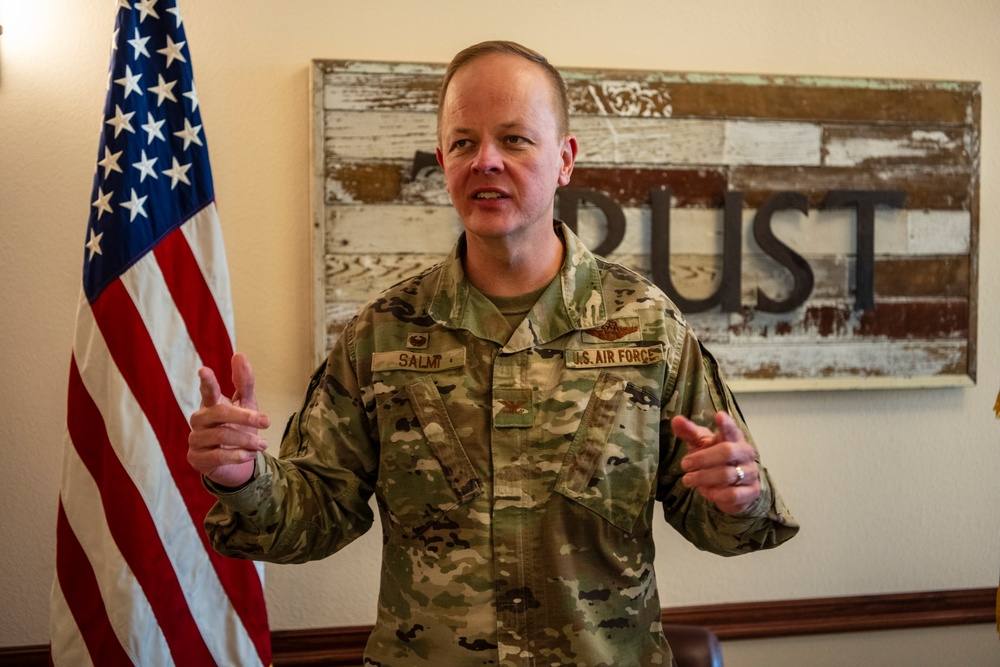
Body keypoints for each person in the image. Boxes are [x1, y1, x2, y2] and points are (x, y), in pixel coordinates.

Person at [188, 40, 798, 667]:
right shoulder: (384, 332)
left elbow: (723, 520)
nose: (485, 161)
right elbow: (315, 514)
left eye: (514, 139)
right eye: (462, 142)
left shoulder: (647, 327)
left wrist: (739, 496)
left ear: (565, 160)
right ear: (442, 161)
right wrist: (243, 480)